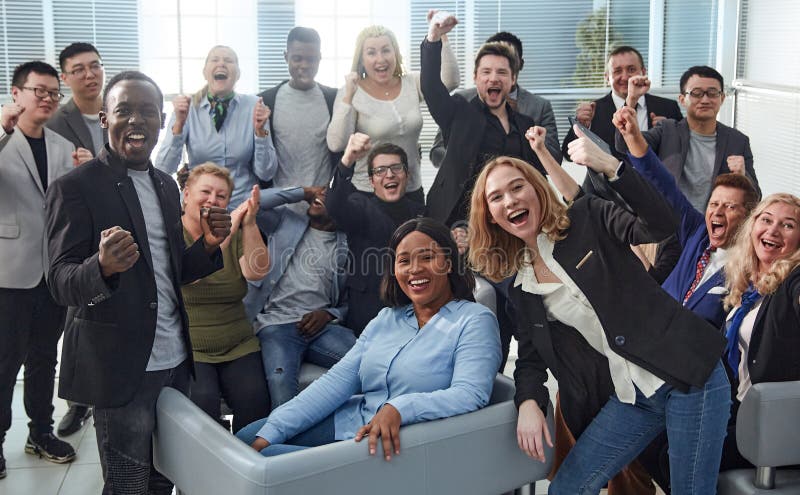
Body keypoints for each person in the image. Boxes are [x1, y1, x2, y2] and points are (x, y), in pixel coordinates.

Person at [468, 131, 731, 493]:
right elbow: (529, 355)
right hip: (632, 393)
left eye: (517, 187)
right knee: (566, 487)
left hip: (688, 373)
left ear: (537, 189)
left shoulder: (585, 217)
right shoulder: (520, 285)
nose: (510, 200)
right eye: (496, 197)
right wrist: (529, 400)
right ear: (492, 216)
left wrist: (612, 166)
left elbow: (660, 225)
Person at [45, 71, 231, 494]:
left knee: (164, 477)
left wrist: (207, 246)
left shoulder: (166, 185)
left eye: (147, 112)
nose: (136, 121)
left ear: (162, 121)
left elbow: (167, 274)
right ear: (103, 119)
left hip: (175, 361)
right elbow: (59, 283)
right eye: (124, 111)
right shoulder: (74, 188)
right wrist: (102, 267)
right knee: (127, 484)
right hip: (121, 367)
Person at [236, 218, 502, 459]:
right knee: (248, 441)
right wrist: (274, 429)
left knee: (266, 462)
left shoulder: (475, 320)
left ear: (448, 262)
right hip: (356, 422)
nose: (415, 269)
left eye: (427, 257)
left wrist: (399, 408)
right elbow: (335, 382)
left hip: (400, 443)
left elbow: (470, 394)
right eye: (404, 260)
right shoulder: (387, 318)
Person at [641, 193, 800, 493]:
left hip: (772, 428)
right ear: (752, 227)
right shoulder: (749, 284)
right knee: (648, 439)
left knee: (674, 454)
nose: (773, 230)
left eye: (788, 225)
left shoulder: (791, 280)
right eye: (766, 220)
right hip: (735, 408)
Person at [0, 61, 77, 479]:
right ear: (17, 93)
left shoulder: (64, 147)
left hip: (53, 273)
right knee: (4, 361)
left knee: (45, 359)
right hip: (9, 272)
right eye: (38, 91)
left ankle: (41, 432)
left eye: (53, 93)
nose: (47, 98)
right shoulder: (2, 139)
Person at [421, 15, 550, 225]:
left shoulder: (525, 124)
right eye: (486, 72)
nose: (493, 78)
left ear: (513, 79)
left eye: (502, 72)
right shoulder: (459, 113)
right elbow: (431, 87)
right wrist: (434, 36)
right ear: (475, 77)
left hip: (508, 222)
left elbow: (537, 177)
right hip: (458, 222)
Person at [244, 184, 355, 410]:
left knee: (367, 361)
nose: (321, 194)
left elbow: (346, 301)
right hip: (277, 325)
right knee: (280, 384)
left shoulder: (345, 245)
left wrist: (327, 314)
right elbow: (255, 202)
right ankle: (284, 444)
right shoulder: (286, 222)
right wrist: (304, 192)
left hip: (321, 328)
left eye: (329, 195)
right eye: (321, 191)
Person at [326, 16, 460, 203]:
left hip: (411, 190)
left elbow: (449, 81)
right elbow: (336, 144)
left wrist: (441, 36)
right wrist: (348, 97)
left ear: (396, 54)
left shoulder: (412, 82)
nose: (380, 59)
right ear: (362, 59)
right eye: (371, 53)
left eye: (386, 50)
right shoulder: (350, 91)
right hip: (368, 195)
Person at [180, 164, 271, 433]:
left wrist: (250, 223)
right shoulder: (172, 231)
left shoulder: (239, 230)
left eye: (221, 196)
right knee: (202, 405)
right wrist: (227, 231)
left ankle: (249, 468)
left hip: (237, 341)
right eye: (205, 191)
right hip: (190, 346)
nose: (212, 200)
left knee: (256, 402)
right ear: (186, 194)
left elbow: (257, 272)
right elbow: (189, 274)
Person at [47, 41, 108, 437]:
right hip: (76, 233)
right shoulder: (55, 121)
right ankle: (77, 401)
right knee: (76, 320)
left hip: (120, 229)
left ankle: (105, 391)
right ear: (65, 78)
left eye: (94, 66)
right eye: (79, 69)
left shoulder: (119, 108)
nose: (89, 75)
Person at [616, 66, 760, 210]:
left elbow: (756, 199)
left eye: (712, 93)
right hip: (668, 222)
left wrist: (743, 176)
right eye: (696, 93)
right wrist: (632, 99)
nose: (705, 99)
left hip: (713, 227)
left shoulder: (738, 141)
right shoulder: (667, 130)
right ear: (682, 99)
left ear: (722, 98)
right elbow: (624, 144)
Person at [325, 134, 425, 335]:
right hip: (369, 314)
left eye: (396, 168)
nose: (389, 175)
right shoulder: (359, 207)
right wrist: (348, 159)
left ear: (407, 174)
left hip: (413, 313)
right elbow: (334, 204)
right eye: (380, 170)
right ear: (371, 180)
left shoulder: (422, 212)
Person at [156, 45, 276, 208]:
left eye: (228, 60)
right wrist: (178, 124)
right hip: (199, 209)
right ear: (205, 72)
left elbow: (266, 173)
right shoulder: (188, 107)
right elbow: (163, 169)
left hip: (242, 208)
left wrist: (261, 132)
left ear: (238, 74)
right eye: (215, 60)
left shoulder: (255, 106)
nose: (221, 64)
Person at [430, 31, 561, 168]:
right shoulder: (462, 101)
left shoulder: (540, 107)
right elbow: (436, 153)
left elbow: (555, 159)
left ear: (520, 64)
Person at [560, 46, 683, 161]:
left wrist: (669, 133)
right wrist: (582, 126)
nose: (625, 77)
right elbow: (568, 154)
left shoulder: (668, 107)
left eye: (631, 69)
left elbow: (686, 151)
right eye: (617, 71)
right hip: (609, 183)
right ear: (607, 77)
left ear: (643, 72)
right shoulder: (593, 111)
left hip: (656, 182)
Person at [258, 27, 340, 194]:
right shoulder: (266, 101)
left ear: (319, 58)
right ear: (286, 57)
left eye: (311, 59)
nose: (304, 65)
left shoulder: (334, 99)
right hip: (281, 208)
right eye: (297, 58)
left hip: (322, 208)